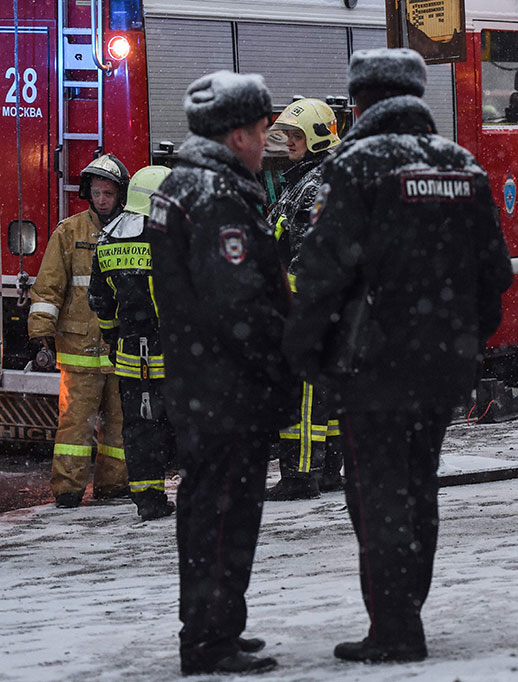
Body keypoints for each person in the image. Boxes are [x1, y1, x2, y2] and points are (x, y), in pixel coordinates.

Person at [283, 48, 513, 664]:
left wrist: (307, 352)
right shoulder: (463, 167)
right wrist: (462, 338)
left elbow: (321, 273)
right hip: (443, 365)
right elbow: (495, 276)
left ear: (359, 102)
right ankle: (406, 605)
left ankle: (395, 625)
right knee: (418, 484)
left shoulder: (355, 168)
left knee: (375, 491)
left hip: (373, 367)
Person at [148, 70, 295, 676]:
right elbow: (238, 305)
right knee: (223, 514)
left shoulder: (185, 186)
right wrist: (278, 367)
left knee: (212, 510)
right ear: (237, 135)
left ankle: (216, 626)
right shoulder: (216, 198)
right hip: (228, 388)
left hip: (202, 381)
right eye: (262, 130)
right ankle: (209, 641)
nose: (266, 142)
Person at [29, 155, 130, 509]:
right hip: (79, 348)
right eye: (97, 193)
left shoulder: (132, 231)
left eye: (108, 193)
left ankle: (113, 486)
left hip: (119, 349)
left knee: (118, 425)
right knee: (75, 426)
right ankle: (68, 490)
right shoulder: (69, 232)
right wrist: (40, 330)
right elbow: (48, 287)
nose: (102, 199)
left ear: (121, 195)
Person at [88, 165, 177, 522]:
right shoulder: (166, 239)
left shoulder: (107, 239)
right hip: (173, 355)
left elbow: (100, 300)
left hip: (130, 356)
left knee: (141, 427)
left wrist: (113, 334)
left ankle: (148, 499)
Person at [265, 98, 344, 500]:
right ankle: (328, 470)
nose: (289, 143)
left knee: (305, 393)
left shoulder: (318, 184)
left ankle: (299, 476)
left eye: (296, 136)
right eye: (287, 135)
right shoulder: (306, 180)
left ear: (315, 137)